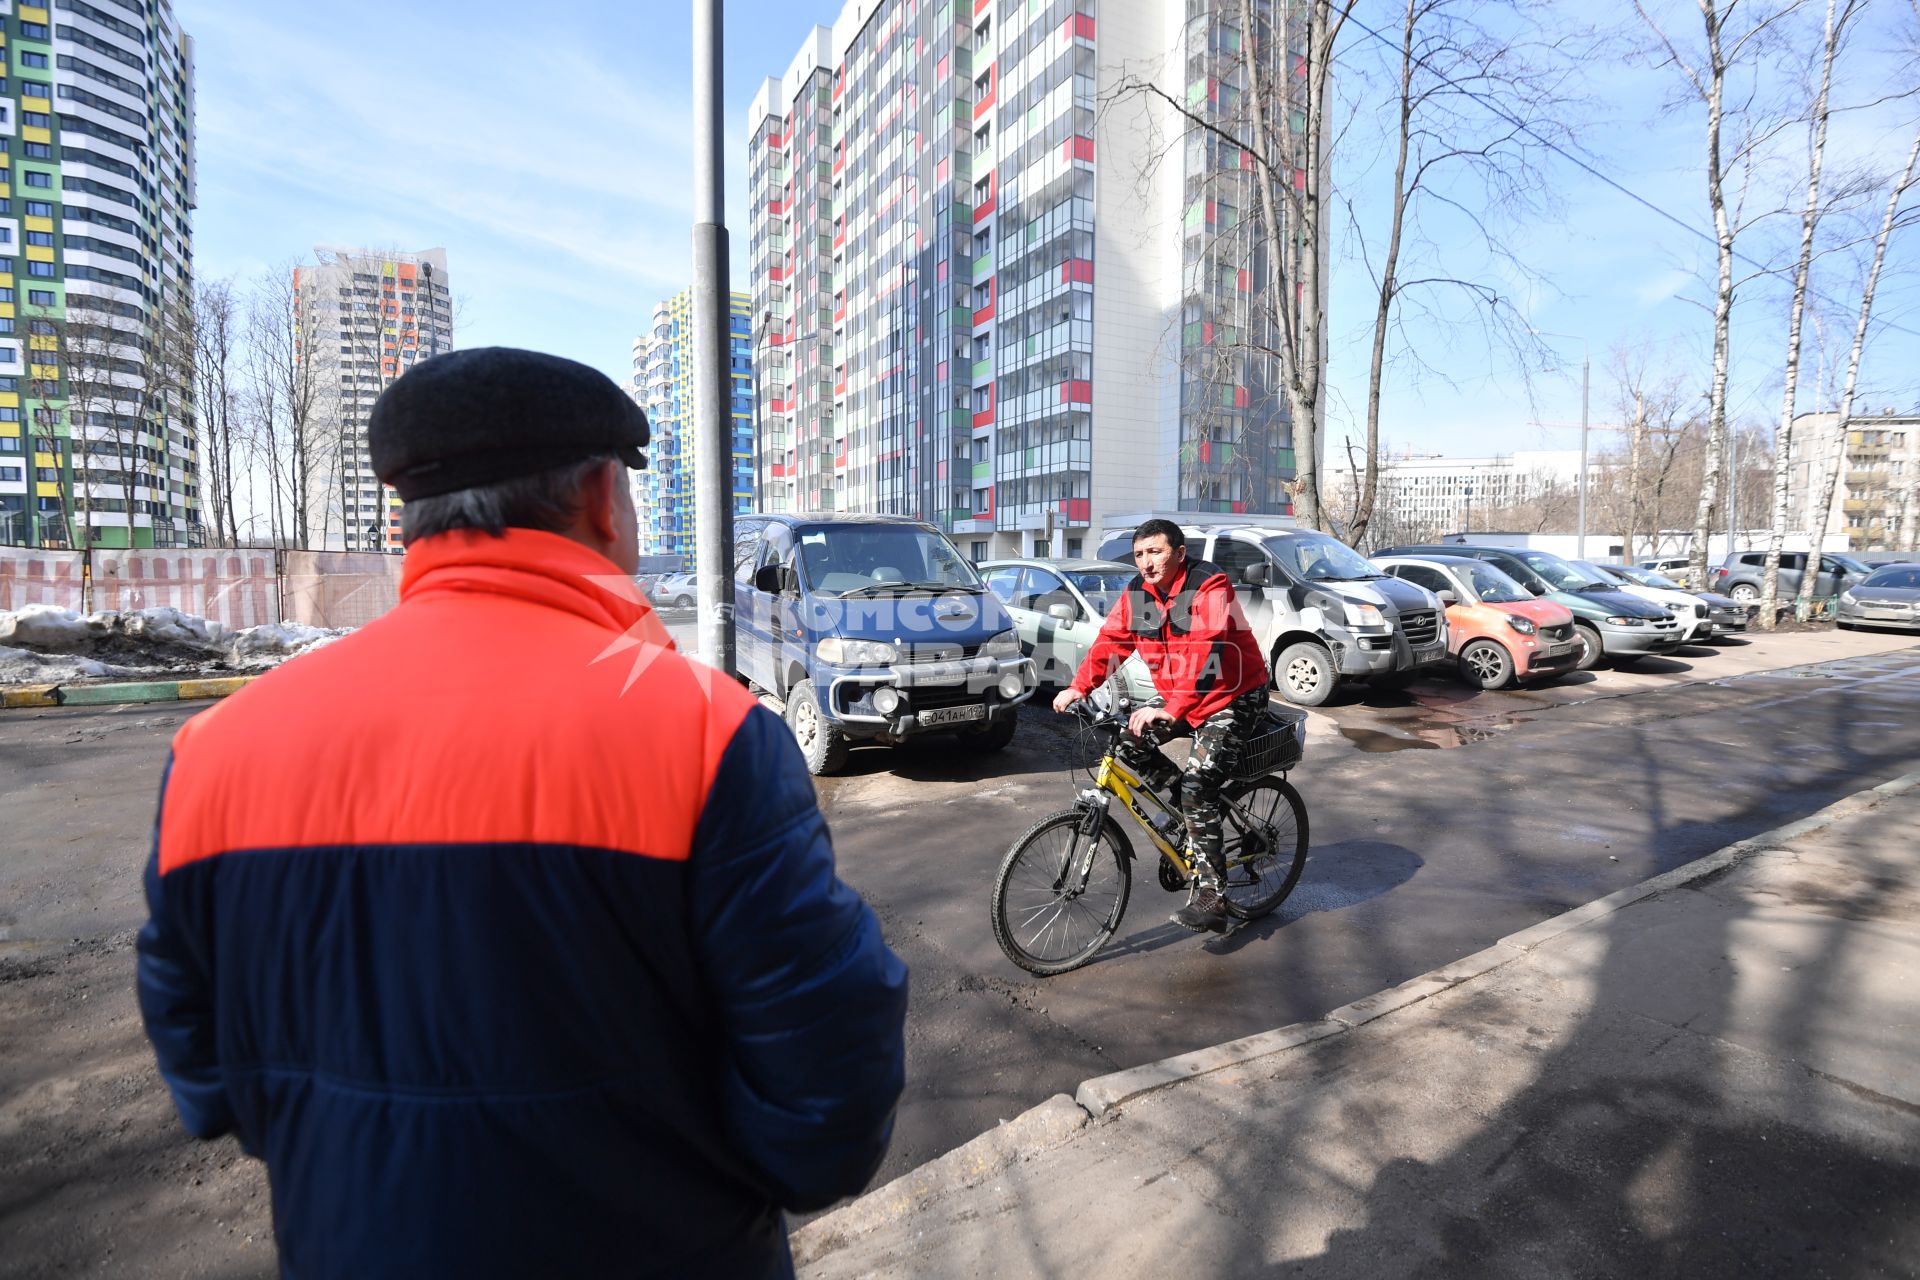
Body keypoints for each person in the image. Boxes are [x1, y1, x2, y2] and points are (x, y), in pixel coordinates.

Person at [135, 347, 909, 1278]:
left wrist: (334, 1138)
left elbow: (200, 1058)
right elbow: (827, 1093)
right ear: (596, 499)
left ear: (411, 515)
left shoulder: (218, 749)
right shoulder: (707, 735)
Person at [1052, 518, 1271, 933]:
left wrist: (1174, 710)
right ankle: (1185, 816)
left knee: (1198, 788)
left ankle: (1214, 895)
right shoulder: (1138, 593)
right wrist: (1079, 686)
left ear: (1179, 552)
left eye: (1155, 552)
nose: (1146, 563)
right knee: (1127, 741)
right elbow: (1111, 642)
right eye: (1139, 555)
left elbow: (1209, 649)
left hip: (1232, 695)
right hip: (1178, 696)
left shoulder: (1209, 585)